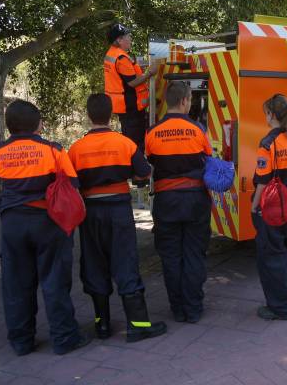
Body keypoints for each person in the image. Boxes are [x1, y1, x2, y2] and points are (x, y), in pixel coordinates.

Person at [0, 100, 90, 356]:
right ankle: (64, 338)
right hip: (48, 221)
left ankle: (22, 342)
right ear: (38, 124)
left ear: (9, 125)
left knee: (16, 284)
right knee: (55, 280)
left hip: (12, 224)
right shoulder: (54, 150)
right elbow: (72, 184)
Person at [68, 93, 167, 343]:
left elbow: (70, 184)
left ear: (89, 116)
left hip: (90, 212)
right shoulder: (125, 144)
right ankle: (138, 325)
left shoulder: (76, 149)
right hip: (119, 210)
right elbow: (144, 174)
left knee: (93, 264)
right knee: (125, 262)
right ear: (111, 115)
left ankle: (102, 325)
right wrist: (138, 178)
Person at [145, 81, 213, 323]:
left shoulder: (152, 133)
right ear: (185, 101)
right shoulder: (198, 130)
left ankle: (177, 309)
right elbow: (209, 162)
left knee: (171, 257)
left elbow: (148, 166)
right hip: (195, 200)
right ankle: (193, 308)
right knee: (194, 254)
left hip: (166, 202)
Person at [251, 94, 287, 320]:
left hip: (271, 210)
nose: (265, 117)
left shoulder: (268, 144)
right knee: (285, 255)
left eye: (266, 113)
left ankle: (279, 308)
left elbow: (262, 182)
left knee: (271, 258)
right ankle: (284, 297)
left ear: (272, 115)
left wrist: (255, 207)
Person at [103, 23, 157, 153]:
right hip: (131, 108)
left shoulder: (112, 54)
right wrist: (150, 73)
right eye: (127, 36)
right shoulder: (121, 58)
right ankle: (137, 170)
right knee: (135, 145)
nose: (130, 39)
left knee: (130, 141)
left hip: (123, 107)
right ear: (119, 40)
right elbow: (132, 82)